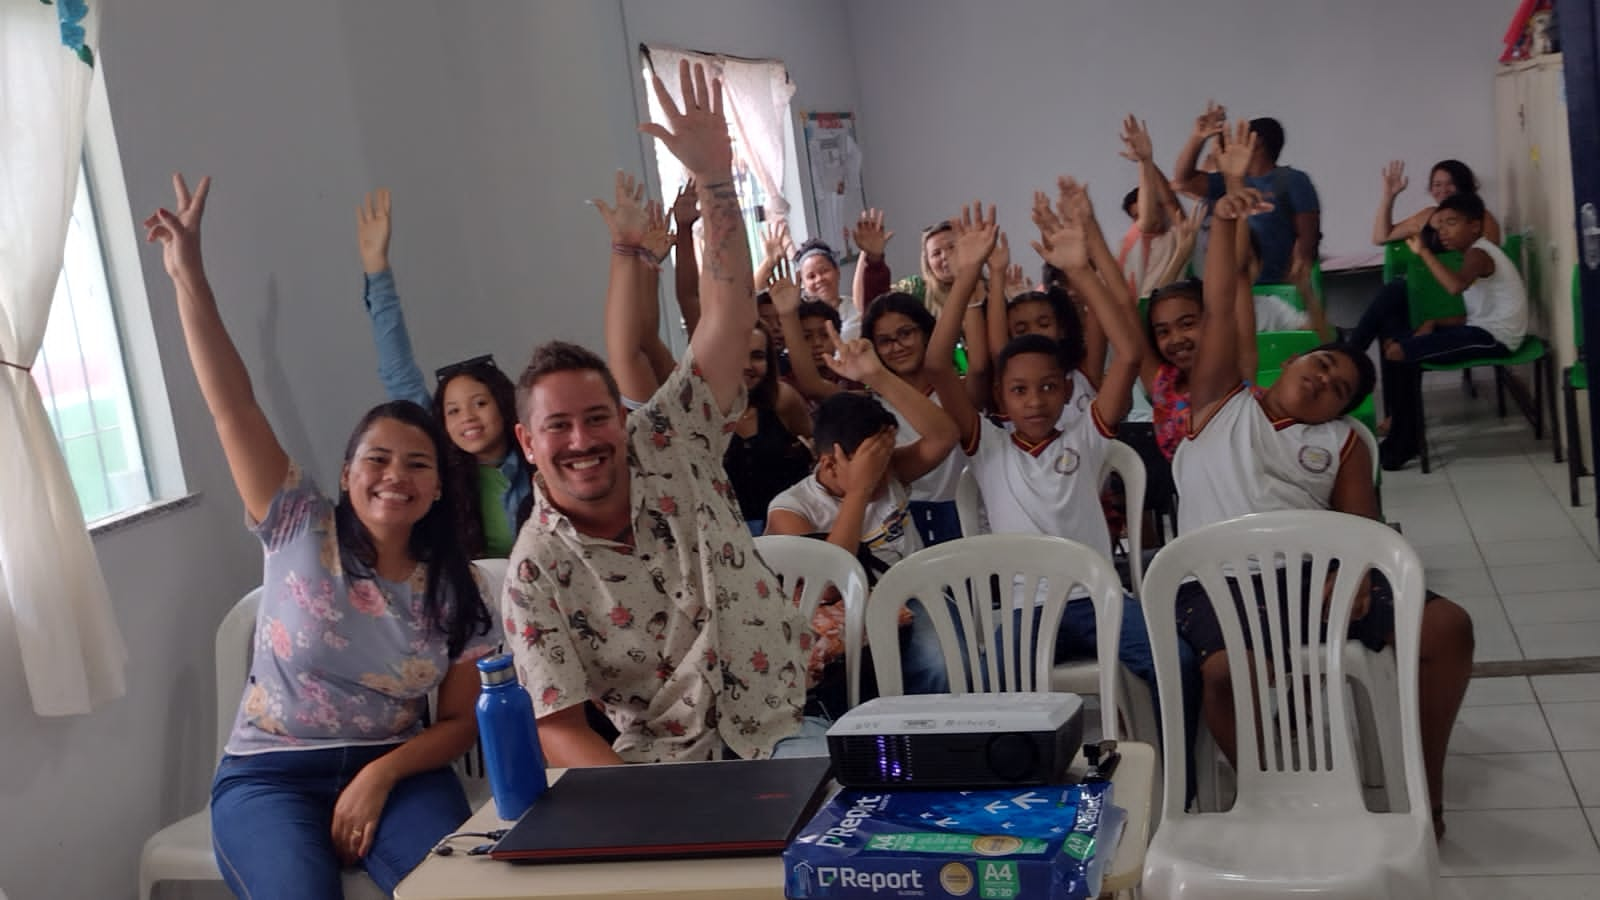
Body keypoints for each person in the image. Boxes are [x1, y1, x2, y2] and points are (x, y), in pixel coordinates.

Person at [148, 174, 497, 897]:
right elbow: (231, 404)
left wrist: (380, 774)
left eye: (417, 464)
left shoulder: (460, 587)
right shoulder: (297, 523)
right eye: (377, 458)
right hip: (267, 776)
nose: (394, 476)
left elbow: (462, 723)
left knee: (459, 892)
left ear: (437, 488)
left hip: (399, 769)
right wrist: (190, 277)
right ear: (345, 472)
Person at [501, 60, 813, 767]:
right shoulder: (535, 570)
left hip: (788, 725)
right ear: (526, 441)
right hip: (664, 768)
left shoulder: (671, 435)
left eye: (597, 417)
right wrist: (653, 817)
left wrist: (716, 182)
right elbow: (558, 726)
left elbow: (731, 315)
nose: (583, 440)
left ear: (622, 414)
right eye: (558, 426)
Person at [1171, 126, 1474, 839]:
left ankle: (1424, 795)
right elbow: (1218, 306)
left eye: (1339, 386)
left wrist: (1358, 570)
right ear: (1285, 364)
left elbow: (1362, 525)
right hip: (1217, 584)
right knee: (1224, 674)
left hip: (1312, 584)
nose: (1325, 378)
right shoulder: (1222, 403)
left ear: (1343, 408)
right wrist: (1221, 212)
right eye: (1320, 363)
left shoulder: (1342, 443)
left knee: (1447, 628)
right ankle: (1270, 807)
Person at [927, 186, 1180, 720]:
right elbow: (935, 367)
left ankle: (1180, 774)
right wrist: (967, 276)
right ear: (1000, 397)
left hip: (1096, 597)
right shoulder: (988, 446)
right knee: (980, 690)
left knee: (1176, 661)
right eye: (1018, 390)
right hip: (1026, 610)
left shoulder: (1085, 433)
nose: (1034, 400)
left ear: (1066, 390)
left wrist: (1082, 269)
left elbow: (1130, 353)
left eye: (1047, 387)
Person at [355, 190, 532, 556]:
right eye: (453, 410)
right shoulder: (439, 460)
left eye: (479, 403)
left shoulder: (538, 457)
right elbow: (397, 370)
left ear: (503, 404)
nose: (467, 417)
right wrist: (377, 270)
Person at [766, 384, 956, 714]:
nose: (883, 475)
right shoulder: (791, 510)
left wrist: (878, 375)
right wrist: (859, 491)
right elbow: (828, 582)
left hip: (911, 596)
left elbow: (944, 436)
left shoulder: (891, 469)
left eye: (885, 459)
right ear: (830, 462)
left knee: (939, 665)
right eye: (872, 464)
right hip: (842, 613)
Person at [1362, 192, 1529, 471]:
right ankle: (1404, 438)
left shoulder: (1479, 251)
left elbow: (1455, 287)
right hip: (1484, 332)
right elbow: (1476, 314)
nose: (1444, 232)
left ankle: (1404, 443)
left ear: (1474, 225)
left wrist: (1425, 252)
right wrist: (1438, 324)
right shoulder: (1474, 252)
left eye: (1451, 223)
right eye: (1440, 227)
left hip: (1496, 341)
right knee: (1398, 345)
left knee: (1400, 352)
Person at [1173, 105, 1320, 285]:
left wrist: (1294, 286)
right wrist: (1198, 138)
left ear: (1256, 141)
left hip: (1276, 288)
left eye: (1242, 135)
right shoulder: (1227, 180)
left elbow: (1307, 238)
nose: (1234, 141)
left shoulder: (1293, 180)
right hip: (1233, 287)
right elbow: (1183, 181)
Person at [1116, 114, 1201, 299]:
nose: (1146, 217)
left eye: (1152, 208)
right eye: (1136, 216)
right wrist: (1144, 162)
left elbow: (1170, 200)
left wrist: (1147, 161)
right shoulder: (1128, 247)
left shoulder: (1178, 236)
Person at [1371, 158, 1502, 248]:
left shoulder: (1483, 218)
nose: (1443, 190)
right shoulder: (1427, 216)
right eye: (1437, 185)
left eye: (1451, 183)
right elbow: (1381, 237)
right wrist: (1389, 196)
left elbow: (1490, 258)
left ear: (1465, 185)